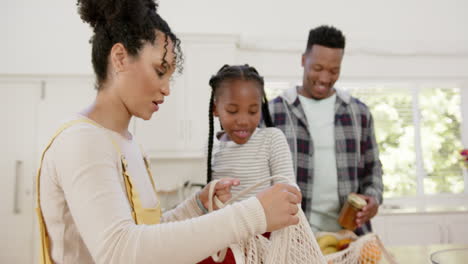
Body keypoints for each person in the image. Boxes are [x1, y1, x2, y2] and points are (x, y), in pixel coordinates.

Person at [35, 1, 302, 263]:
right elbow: (120, 251)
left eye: (169, 77)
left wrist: (197, 205)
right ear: (120, 58)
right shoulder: (82, 140)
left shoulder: (128, 144)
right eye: (160, 71)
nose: (167, 89)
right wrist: (253, 214)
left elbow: (149, 235)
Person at [268, 25, 383, 235]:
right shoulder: (273, 112)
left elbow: (373, 168)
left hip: (350, 238)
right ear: (303, 60)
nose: (325, 78)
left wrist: (374, 197)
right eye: (318, 68)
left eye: (334, 70)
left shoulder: (359, 112)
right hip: (292, 237)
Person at [199, 64, 296, 263]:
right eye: (233, 111)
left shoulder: (271, 139)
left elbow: (291, 194)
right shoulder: (213, 147)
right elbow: (210, 203)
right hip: (228, 241)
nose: (243, 121)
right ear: (215, 109)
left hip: (267, 241)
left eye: (253, 112)